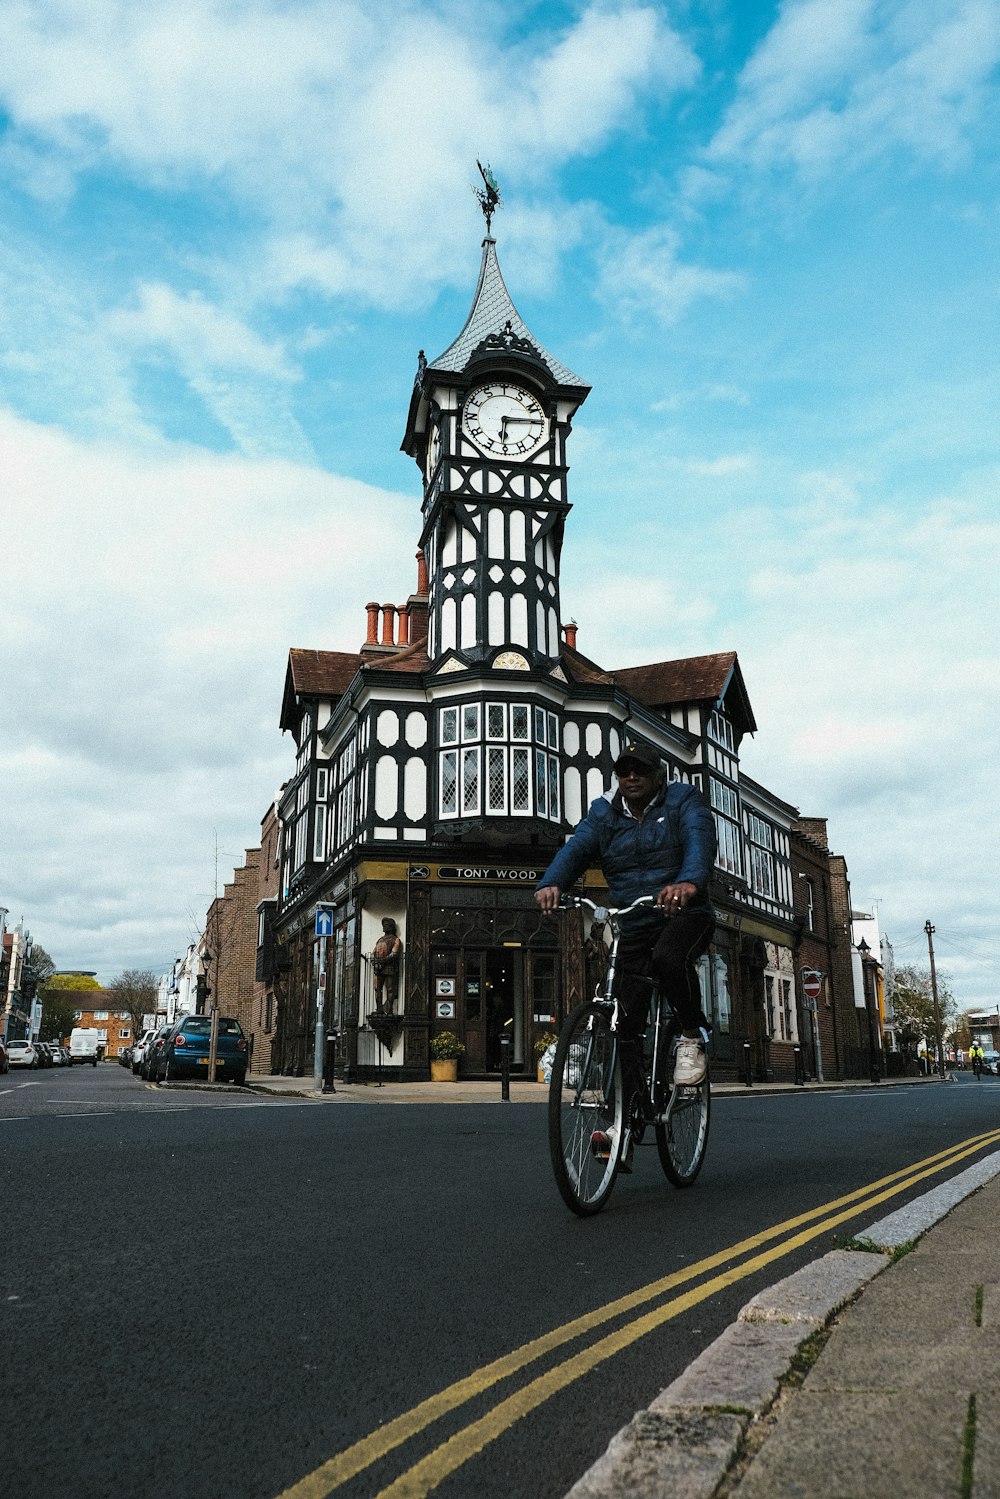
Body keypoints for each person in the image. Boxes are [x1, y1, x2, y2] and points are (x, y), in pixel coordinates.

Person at [535, 740, 717, 1103]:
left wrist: (688, 882)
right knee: (622, 1021)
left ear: (658, 774)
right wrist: (552, 882)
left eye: (641, 770)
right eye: (623, 771)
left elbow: (700, 840)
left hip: (684, 914)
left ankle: (691, 1035)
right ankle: (626, 1117)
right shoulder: (604, 812)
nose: (632, 777)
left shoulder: (683, 801)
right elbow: (578, 848)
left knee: (668, 958)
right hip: (634, 921)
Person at [372, 918, 403, 1014]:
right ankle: (379, 1009)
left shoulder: (395, 939)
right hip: (379, 967)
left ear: (391, 927)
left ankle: (390, 1010)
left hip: (390, 967)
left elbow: (394, 953)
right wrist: (375, 961)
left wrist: (381, 961)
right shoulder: (380, 940)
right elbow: (374, 952)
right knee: (377, 988)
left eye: (386, 925)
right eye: (383, 924)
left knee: (390, 988)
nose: (384, 926)